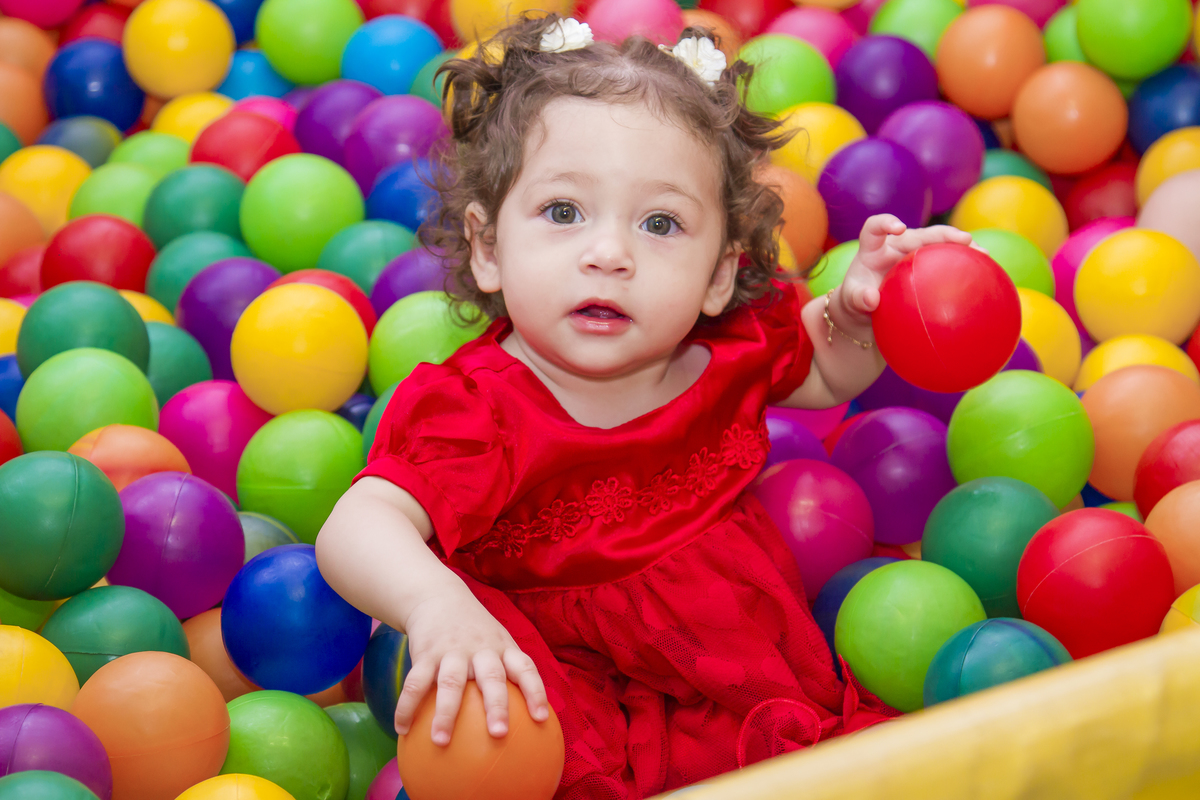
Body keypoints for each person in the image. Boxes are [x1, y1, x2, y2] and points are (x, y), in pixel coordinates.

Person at [317, 14, 973, 799]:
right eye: (563, 212)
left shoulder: (727, 349)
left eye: (660, 224)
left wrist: (857, 316)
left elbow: (828, 373)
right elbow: (357, 524)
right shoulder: (477, 410)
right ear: (489, 248)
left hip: (732, 675)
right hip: (565, 693)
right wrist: (436, 607)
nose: (609, 252)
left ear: (719, 275)